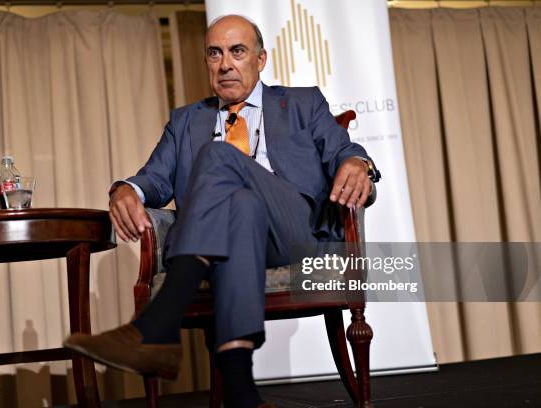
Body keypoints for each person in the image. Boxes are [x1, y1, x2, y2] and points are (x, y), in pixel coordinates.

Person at [64, 14, 378, 408]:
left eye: (237, 51)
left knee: (216, 155)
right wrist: (125, 189)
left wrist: (358, 163)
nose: (225, 63)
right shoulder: (185, 121)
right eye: (215, 53)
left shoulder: (301, 102)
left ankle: (159, 323)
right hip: (230, 236)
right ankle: (244, 394)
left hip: (291, 229)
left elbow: (342, 150)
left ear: (261, 60)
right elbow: (154, 180)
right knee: (241, 206)